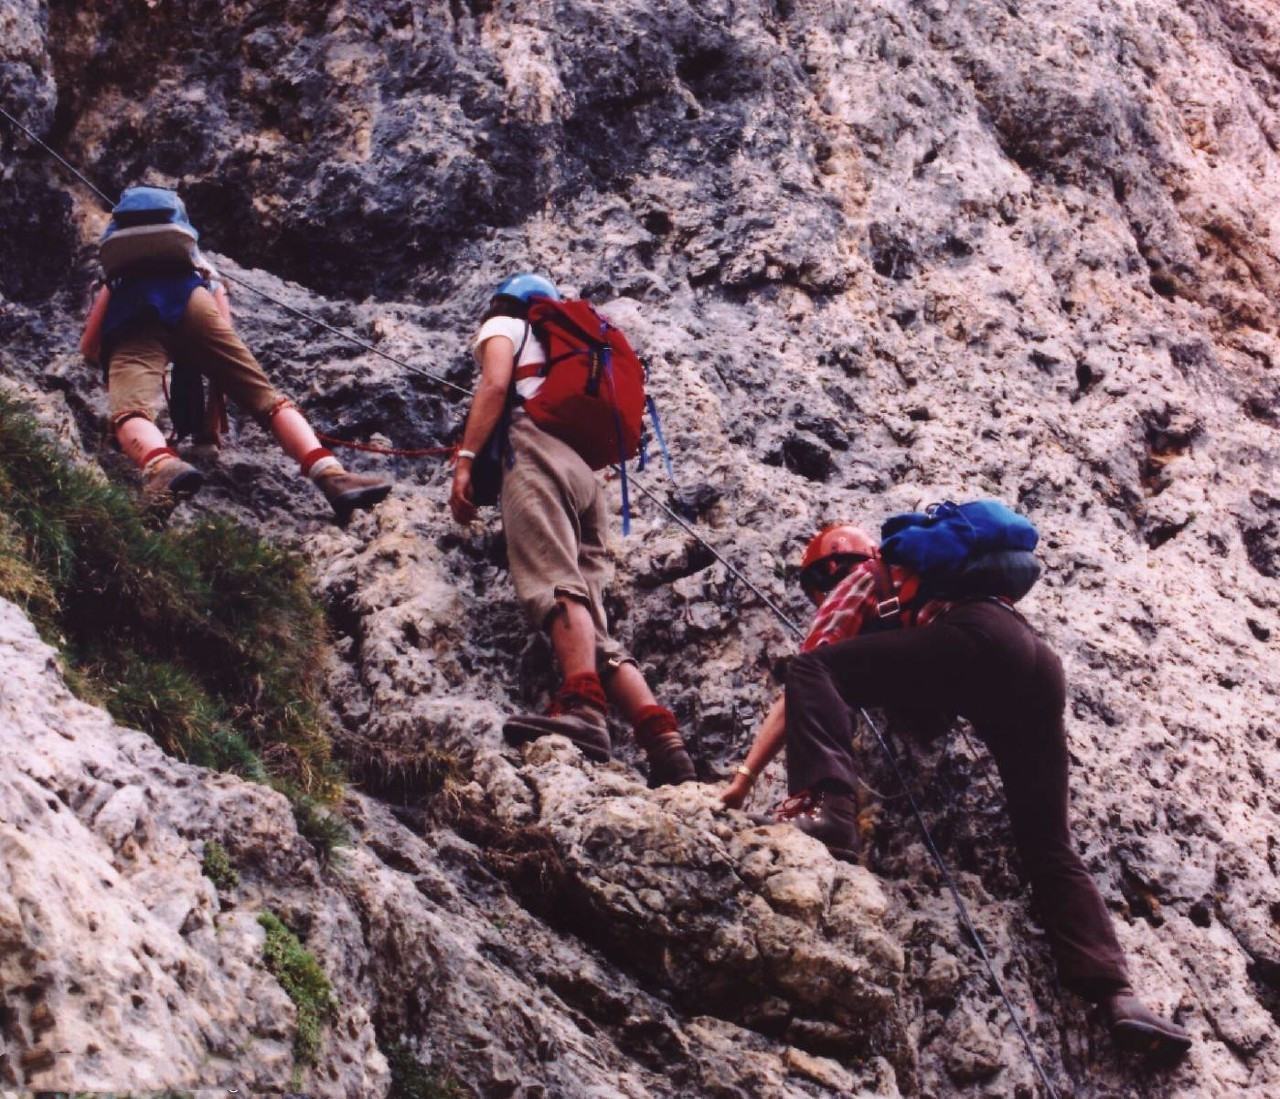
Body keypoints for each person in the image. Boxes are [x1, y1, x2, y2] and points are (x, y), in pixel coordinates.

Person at [720, 522, 1193, 1059]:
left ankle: (826, 808)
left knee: (811, 669)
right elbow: (929, 705)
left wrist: (744, 779)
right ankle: (1117, 997)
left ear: (830, 570)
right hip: (1034, 665)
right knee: (1048, 844)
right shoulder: (939, 588)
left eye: (818, 589)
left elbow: (811, 670)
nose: (822, 599)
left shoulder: (862, 577)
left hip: (973, 642)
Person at [449, 273, 695, 787]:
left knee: (553, 579)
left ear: (506, 302)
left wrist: (466, 459)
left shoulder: (508, 325)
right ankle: (662, 740)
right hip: (588, 475)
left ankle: (583, 711)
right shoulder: (573, 347)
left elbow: (495, 384)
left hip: (537, 452)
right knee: (593, 619)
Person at [79, 188, 391, 519]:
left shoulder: (116, 282)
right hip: (196, 302)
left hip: (134, 313)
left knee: (131, 414)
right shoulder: (204, 275)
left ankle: (162, 465)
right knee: (269, 402)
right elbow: (221, 351)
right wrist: (210, 425)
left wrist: (120, 371)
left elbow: (89, 348)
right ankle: (330, 473)